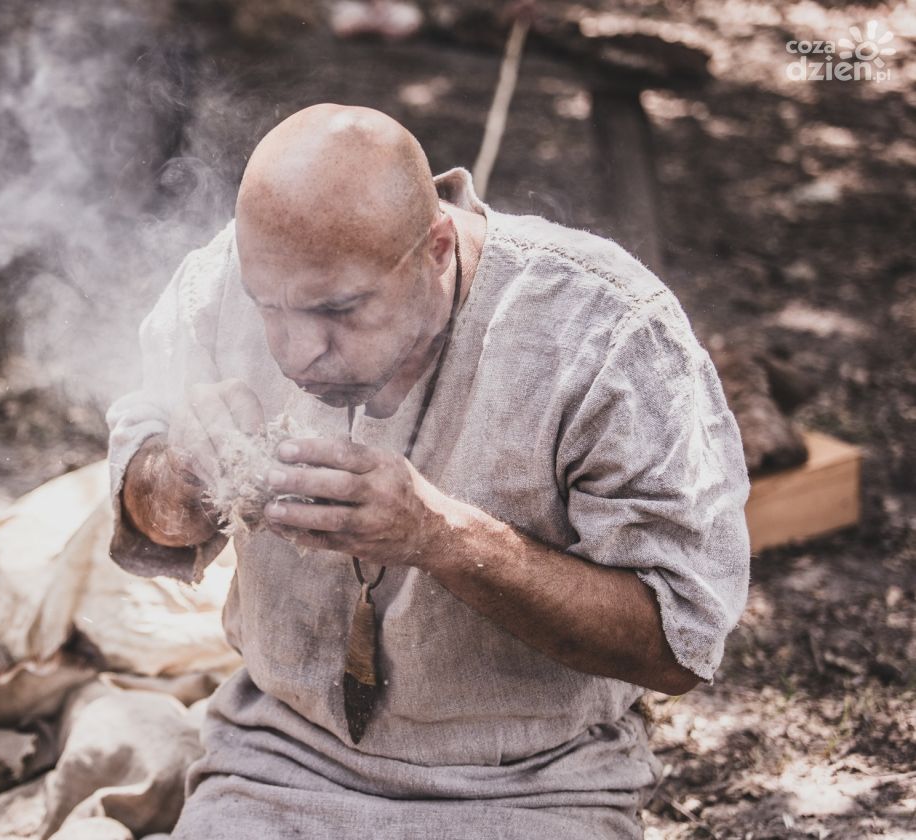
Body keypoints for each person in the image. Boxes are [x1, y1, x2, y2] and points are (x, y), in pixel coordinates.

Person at [105, 103, 751, 839]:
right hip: (280, 763)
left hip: (531, 786)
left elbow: (678, 644)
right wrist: (179, 480)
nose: (295, 352)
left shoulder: (605, 333)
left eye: (340, 310)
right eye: (269, 310)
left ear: (438, 246)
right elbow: (143, 506)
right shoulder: (228, 278)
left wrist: (440, 536)